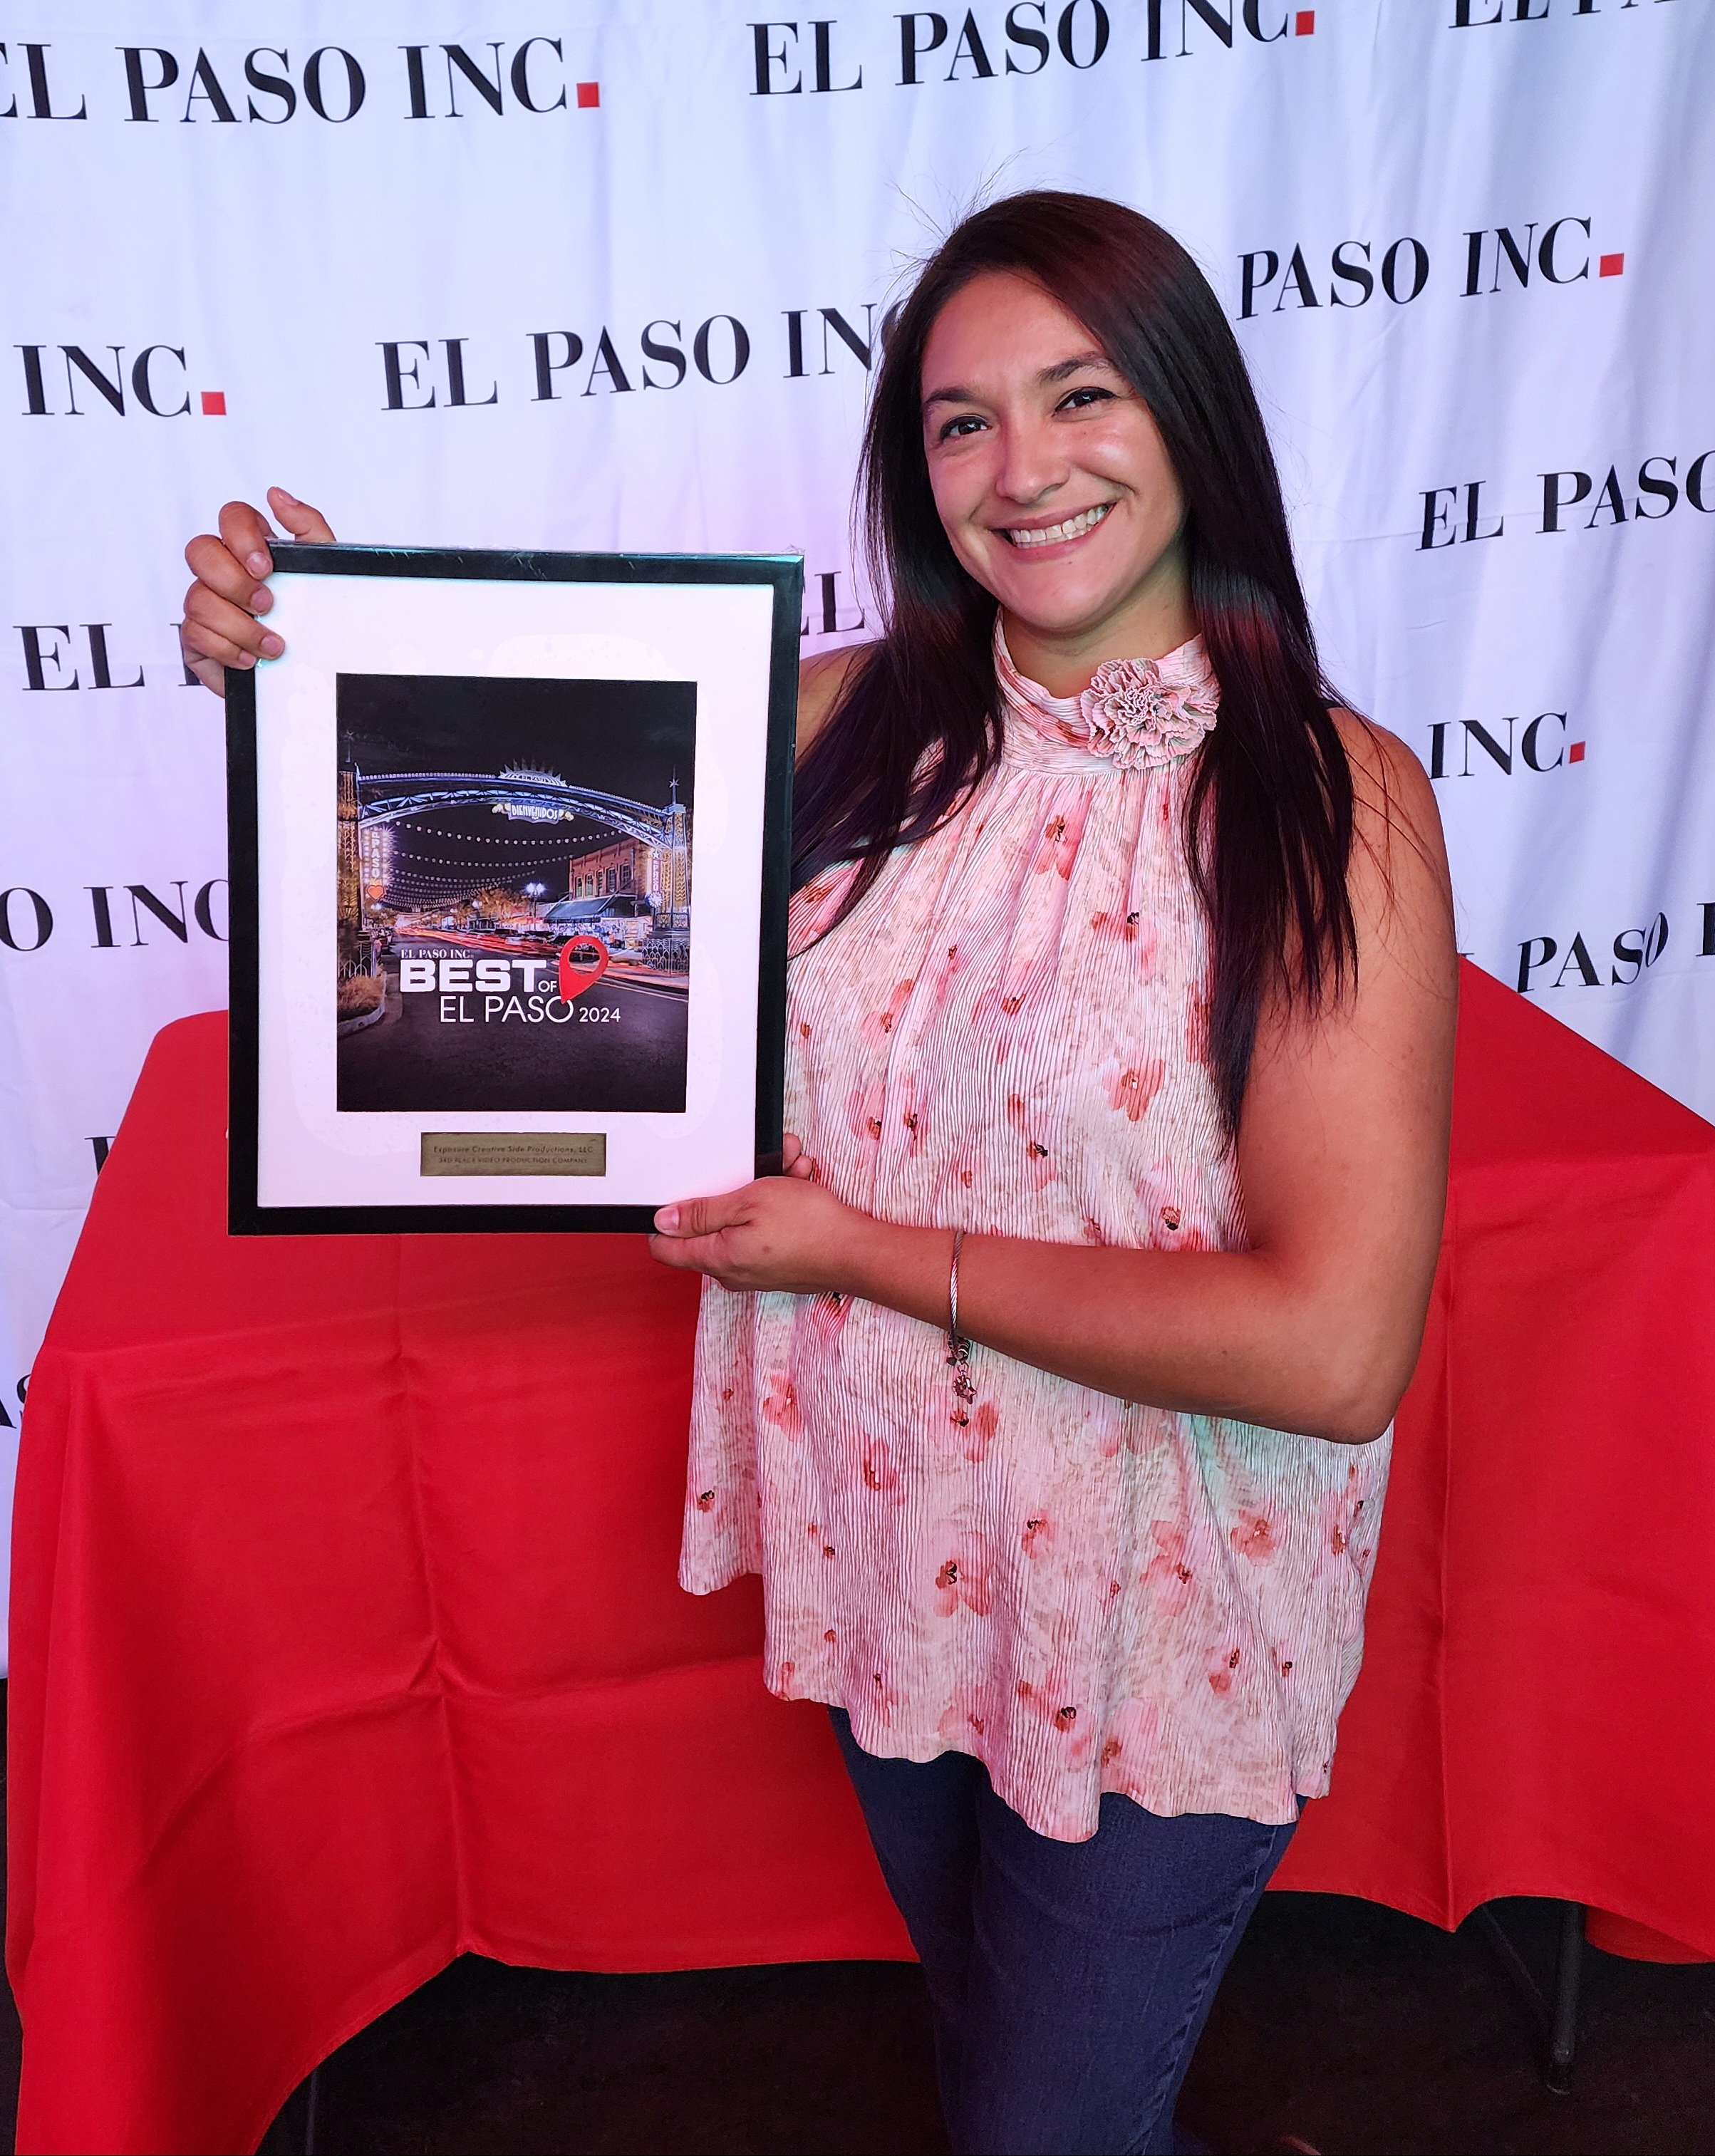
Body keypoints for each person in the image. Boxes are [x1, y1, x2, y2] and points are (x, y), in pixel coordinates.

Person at [182, 192, 1455, 2156]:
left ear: (1193, 414)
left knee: (1036, 2123)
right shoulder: (854, 715)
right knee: (1008, 2052)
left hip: (1156, 1607)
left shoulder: (1326, 800)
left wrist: (865, 1251)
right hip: (897, 1545)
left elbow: (1335, 1343)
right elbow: (516, 769)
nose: (1021, 469)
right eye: (961, 421)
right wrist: (324, 641)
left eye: (1080, 394)